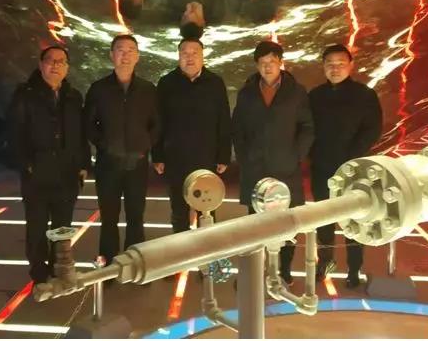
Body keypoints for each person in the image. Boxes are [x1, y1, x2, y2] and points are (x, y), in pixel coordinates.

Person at [6, 45, 90, 293]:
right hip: (37, 174)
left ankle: (59, 267)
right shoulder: (25, 95)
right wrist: (27, 164)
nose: (56, 65)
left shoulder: (73, 96)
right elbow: (14, 133)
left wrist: (83, 164)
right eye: (50, 60)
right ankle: (39, 272)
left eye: (61, 61)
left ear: (67, 67)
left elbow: (80, 134)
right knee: (37, 225)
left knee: (62, 225)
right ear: (41, 64)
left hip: (67, 172)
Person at [232, 40, 314, 285]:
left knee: (287, 223)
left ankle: (283, 270)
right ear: (257, 65)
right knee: (254, 224)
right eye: (262, 62)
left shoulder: (296, 92)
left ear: (281, 63)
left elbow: (307, 127)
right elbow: (237, 129)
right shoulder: (247, 93)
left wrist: (296, 155)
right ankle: (255, 270)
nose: (267, 67)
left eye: (272, 62)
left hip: (285, 168)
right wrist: (244, 157)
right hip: (255, 168)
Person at [309, 44, 383, 288]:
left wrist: (352, 156)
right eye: (330, 64)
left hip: (354, 168)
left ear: (351, 65)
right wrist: (311, 154)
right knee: (324, 219)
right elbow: (306, 128)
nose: (335, 68)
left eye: (340, 63)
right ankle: (325, 262)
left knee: (354, 218)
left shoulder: (365, 95)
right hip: (322, 166)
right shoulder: (315, 96)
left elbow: (372, 129)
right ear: (323, 67)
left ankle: (354, 269)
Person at [84, 34, 160, 266]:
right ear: (111, 55)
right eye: (120, 50)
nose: (125, 55)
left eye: (130, 50)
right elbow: (88, 124)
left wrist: (145, 145)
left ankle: (135, 264)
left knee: (136, 216)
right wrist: (105, 145)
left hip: (137, 163)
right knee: (108, 217)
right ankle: (108, 265)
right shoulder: (99, 89)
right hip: (108, 164)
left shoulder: (148, 89)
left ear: (137, 56)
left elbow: (157, 124)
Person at [152, 38, 231, 233]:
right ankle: (181, 250)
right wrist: (157, 155)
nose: (190, 57)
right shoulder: (166, 83)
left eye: (194, 53)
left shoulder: (215, 83)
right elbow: (158, 121)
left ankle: (209, 250)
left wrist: (224, 155)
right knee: (178, 212)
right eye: (185, 53)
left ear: (202, 56)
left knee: (207, 209)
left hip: (206, 157)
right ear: (178, 56)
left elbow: (223, 120)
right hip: (175, 158)